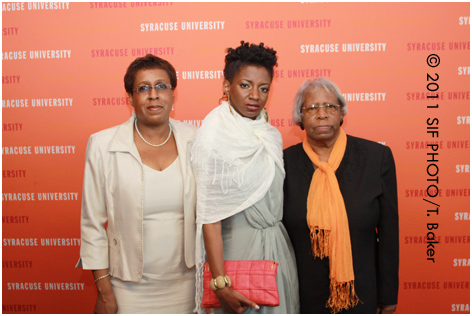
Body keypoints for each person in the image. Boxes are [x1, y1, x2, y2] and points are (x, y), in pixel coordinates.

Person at [76, 54, 197, 313]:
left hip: (188, 286)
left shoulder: (196, 141)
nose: (154, 95)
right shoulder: (103, 145)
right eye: (143, 88)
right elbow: (92, 225)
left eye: (162, 86)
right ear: (130, 98)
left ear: (173, 94)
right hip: (127, 288)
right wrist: (104, 290)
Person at [191, 41, 300, 314]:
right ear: (227, 86)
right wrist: (220, 283)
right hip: (236, 257)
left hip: (277, 252)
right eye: (245, 85)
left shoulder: (269, 134)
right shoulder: (212, 137)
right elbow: (209, 217)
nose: (255, 96)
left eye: (263, 88)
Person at [283, 77, 399, 314]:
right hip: (301, 296)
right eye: (312, 108)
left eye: (330, 107)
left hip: (362, 295)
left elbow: (389, 234)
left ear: (341, 114)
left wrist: (387, 296)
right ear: (300, 118)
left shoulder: (376, 158)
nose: (322, 114)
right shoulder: (284, 163)